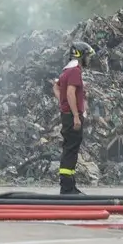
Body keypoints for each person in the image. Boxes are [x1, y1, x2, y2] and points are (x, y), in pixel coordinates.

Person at [52, 41, 95, 195]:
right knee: (71, 150)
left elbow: (56, 87)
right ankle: (67, 188)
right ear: (80, 55)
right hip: (72, 117)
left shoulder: (66, 70)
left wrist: (62, 102)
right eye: (87, 56)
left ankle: (70, 186)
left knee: (70, 150)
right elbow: (70, 93)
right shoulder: (75, 71)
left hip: (67, 114)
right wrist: (76, 115)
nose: (88, 59)